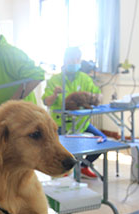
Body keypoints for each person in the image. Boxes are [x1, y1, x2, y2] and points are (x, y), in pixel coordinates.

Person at [42, 47, 106, 179]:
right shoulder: (55, 80)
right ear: (65, 59)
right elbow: (46, 102)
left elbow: (98, 94)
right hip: (60, 124)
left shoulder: (85, 78)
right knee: (61, 149)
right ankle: (64, 171)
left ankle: (82, 166)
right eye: (72, 59)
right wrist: (55, 94)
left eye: (77, 59)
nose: (75, 62)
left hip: (82, 123)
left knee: (103, 141)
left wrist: (95, 98)